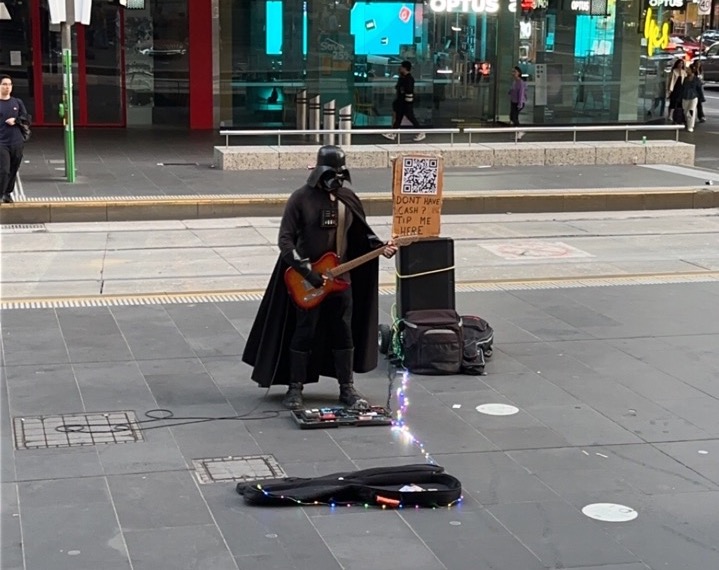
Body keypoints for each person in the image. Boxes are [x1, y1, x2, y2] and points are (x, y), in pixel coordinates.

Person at [242, 146, 397, 410]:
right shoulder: (301, 199)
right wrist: (306, 272)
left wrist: (382, 248)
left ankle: (346, 388)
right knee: (303, 331)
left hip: (341, 280)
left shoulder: (348, 199)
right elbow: (285, 240)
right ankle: (295, 387)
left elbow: (361, 236)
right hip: (308, 280)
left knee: (343, 333)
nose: (335, 181)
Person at [0, 74, 28, 204]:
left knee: (13, 169)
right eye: (4, 84)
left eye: (9, 85)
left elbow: (26, 118)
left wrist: (16, 120)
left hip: (16, 142)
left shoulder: (17, 102)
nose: (7, 87)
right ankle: (1, 193)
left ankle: (7, 192)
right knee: (4, 169)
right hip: (2, 142)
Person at [383, 60, 426, 142]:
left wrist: (403, 92)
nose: (400, 68)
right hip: (402, 102)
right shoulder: (403, 78)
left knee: (409, 117)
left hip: (406, 102)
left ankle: (420, 132)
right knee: (399, 118)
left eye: (401, 67)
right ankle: (393, 133)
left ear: (405, 68)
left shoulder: (408, 79)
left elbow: (408, 90)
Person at [680, 64, 705, 133]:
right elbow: (682, 88)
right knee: (685, 111)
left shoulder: (696, 79)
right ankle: (688, 122)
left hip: (693, 97)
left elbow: (699, 89)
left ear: (692, 70)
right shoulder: (685, 79)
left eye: (688, 69)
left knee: (691, 111)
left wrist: (701, 98)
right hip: (685, 97)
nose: (687, 70)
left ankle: (690, 126)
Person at [509, 66, 527, 140]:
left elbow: (521, 94)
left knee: (514, 117)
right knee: (512, 117)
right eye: (513, 72)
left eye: (515, 72)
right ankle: (518, 131)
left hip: (518, 102)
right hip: (513, 101)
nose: (513, 73)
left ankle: (520, 131)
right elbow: (512, 90)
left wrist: (520, 104)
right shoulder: (514, 82)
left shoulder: (520, 83)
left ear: (519, 73)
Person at [666, 59, 686, 124]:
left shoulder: (684, 72)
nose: (680, 65)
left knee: (680, 103)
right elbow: (670, 81)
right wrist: (669, 89)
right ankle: (670, 115)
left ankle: (678, 116)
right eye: (679, 63)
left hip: (681, 89)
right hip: (674, 88)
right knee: (673, 102)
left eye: (682, 63)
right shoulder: (674, 71)